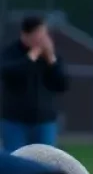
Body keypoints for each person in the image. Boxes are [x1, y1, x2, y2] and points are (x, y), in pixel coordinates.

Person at [0, 16, 69, 151]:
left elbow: (62, 84)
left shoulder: (50, 57)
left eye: (44, 34)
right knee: (16, 159)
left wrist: (51, 60)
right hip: (15, 121)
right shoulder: (11, 53)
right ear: (26, 35)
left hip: (45, 121)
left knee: (45, 161)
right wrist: (32, 56)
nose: (43, 39)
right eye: (38, 34)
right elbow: (9, 72)